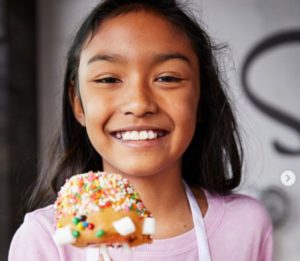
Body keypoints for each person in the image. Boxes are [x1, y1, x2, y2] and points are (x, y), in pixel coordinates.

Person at [8, 0, 273, 260]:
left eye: (167, 78)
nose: (139, 103)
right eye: (108, 79)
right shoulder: (46, 239)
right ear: (78, 104)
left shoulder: (246, 226)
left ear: (201, 99)